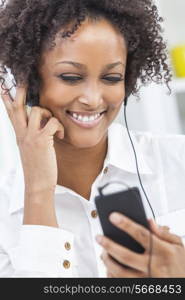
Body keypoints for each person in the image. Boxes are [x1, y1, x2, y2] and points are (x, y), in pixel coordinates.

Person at [0, 0, 185, 278]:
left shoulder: (178, 161)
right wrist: (38, 191)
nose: (93, 99)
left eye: (111, 78)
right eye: (71, 77)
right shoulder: (5, 207)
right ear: (30, 83)